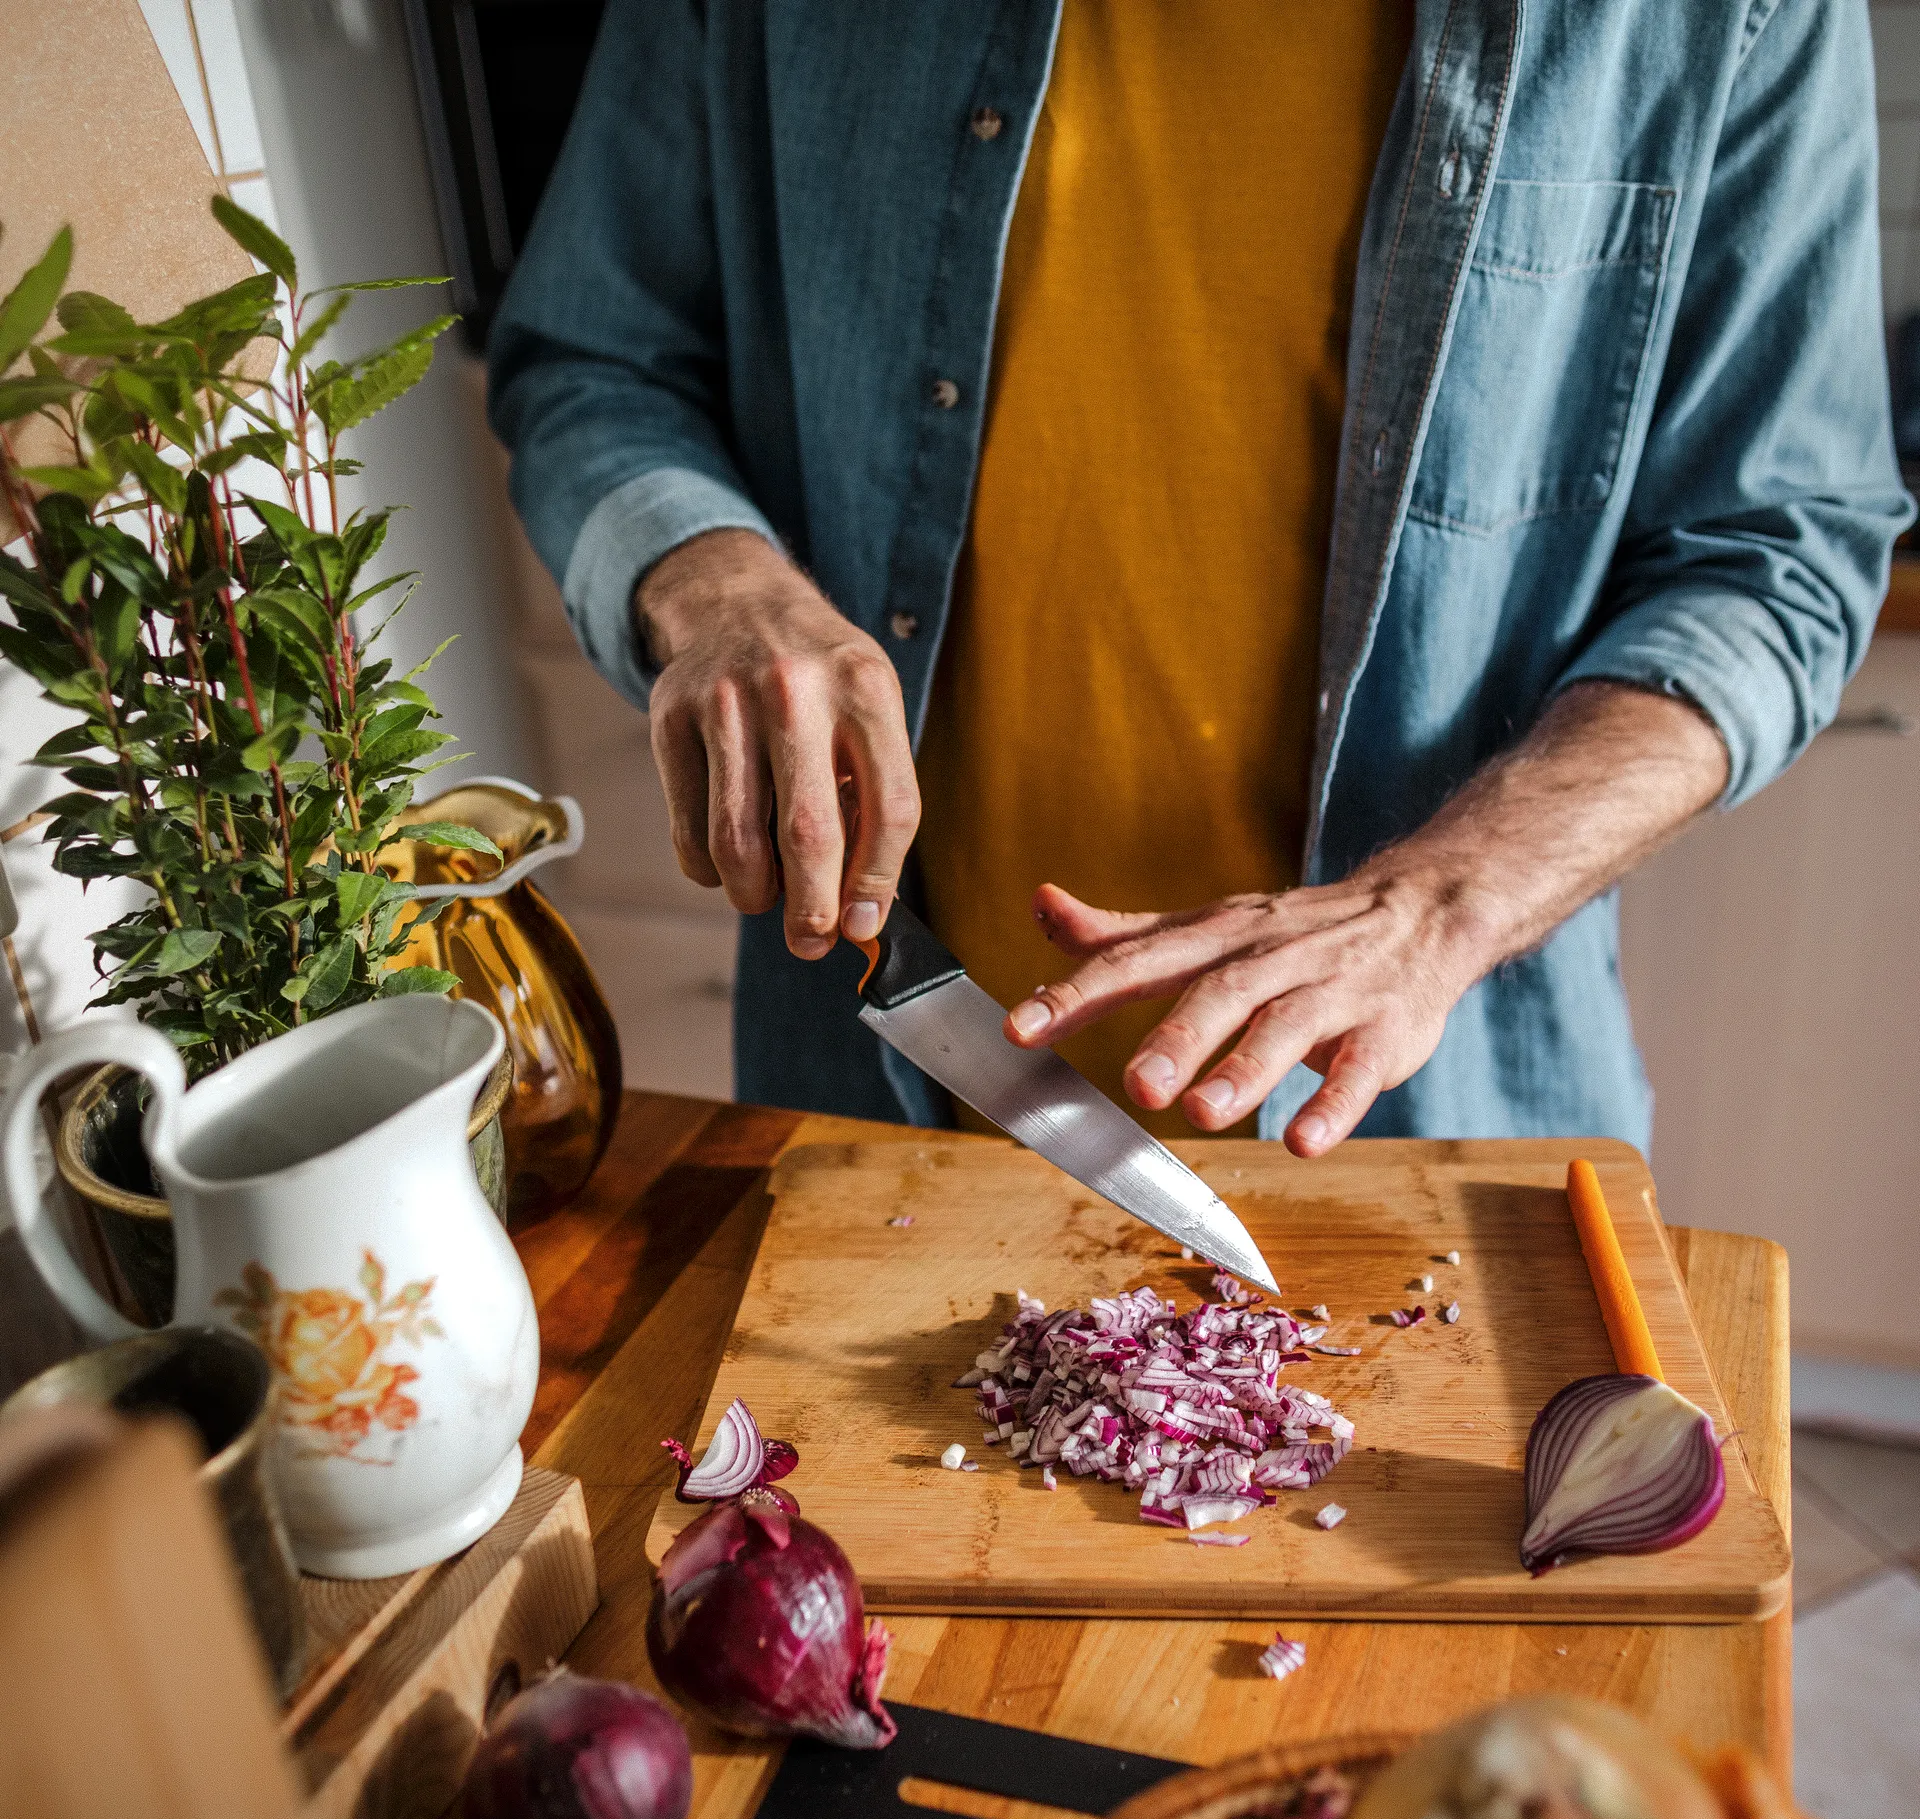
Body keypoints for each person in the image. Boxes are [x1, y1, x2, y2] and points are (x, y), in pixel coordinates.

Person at [489, 0, 1909, 1156]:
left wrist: (1441, 902)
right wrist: (719, 585)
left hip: (1427, 1104)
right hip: (889, 1071)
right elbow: (595, 360)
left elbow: (1778, 552)